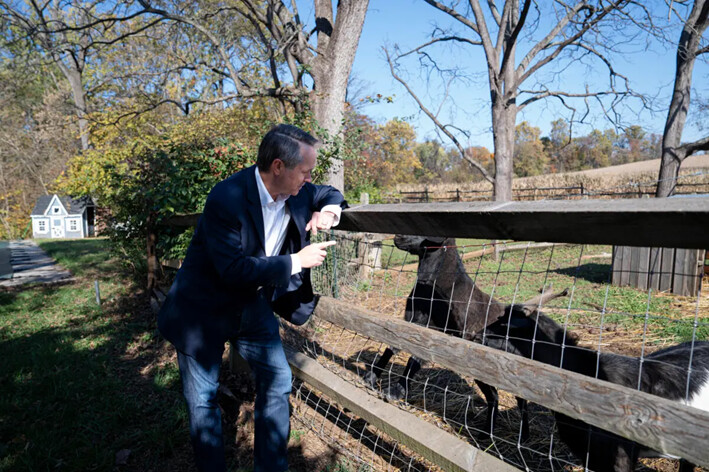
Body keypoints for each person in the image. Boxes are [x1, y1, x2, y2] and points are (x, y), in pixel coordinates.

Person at [158, 124, 347, 472]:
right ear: (278, 167)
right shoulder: (226, 198)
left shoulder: (299, 190)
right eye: (305, 171)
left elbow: (327, 191)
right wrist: (296, 261)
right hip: (203, 309)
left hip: (253, 304)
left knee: (278, 382)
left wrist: (328, 211)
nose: (309, 179)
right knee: (202, 400)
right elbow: (232, 270)